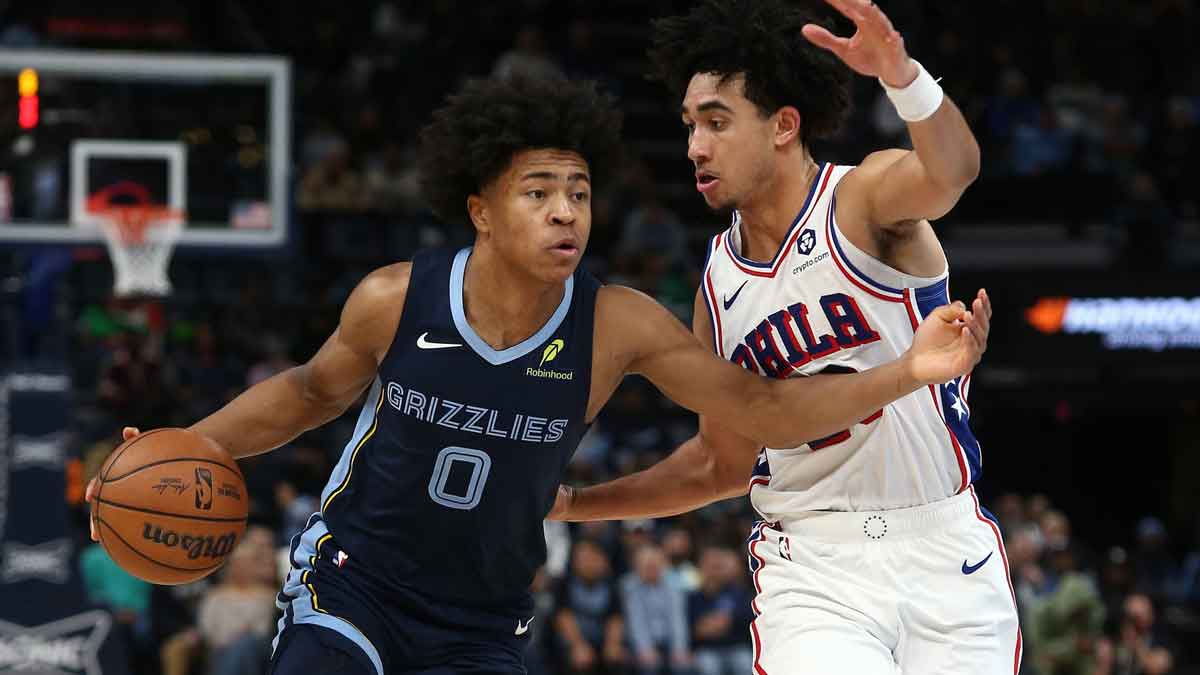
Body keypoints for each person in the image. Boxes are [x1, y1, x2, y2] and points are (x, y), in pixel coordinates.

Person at [88, 74, 990, 674]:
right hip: (355, 578)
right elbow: (307, 392)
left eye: (580, 192)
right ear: (481, 209)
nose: (566, 212)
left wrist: (907, 369)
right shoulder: (395, 298)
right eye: (539, 192)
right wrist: (193, 444)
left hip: (484, 618)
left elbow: (766, 409)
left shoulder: (618, 324)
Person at [550, 1, 1020, 673]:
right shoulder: (717, 283)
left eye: (716, 121)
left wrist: (901, 74)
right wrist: (574, 505)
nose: (695, 147)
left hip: (945, 547)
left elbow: (952, 171)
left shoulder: (860, 201)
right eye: (689, 126)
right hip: (814, 565)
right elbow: (721, 463)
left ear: (782, 126)